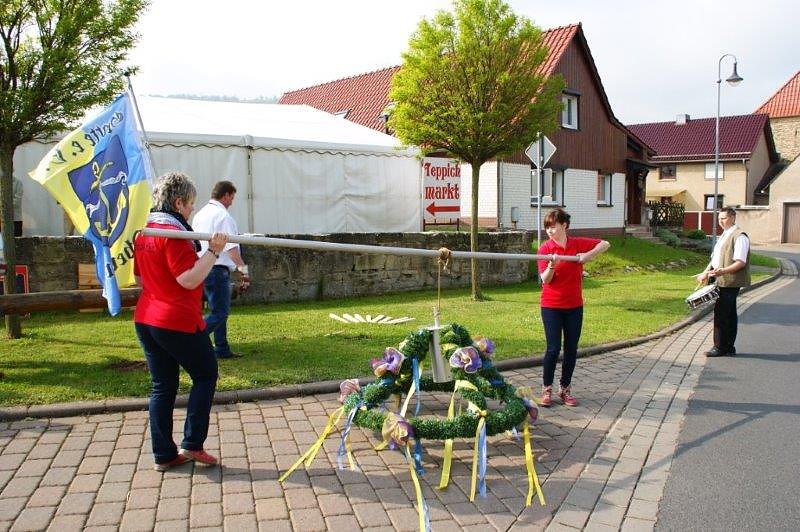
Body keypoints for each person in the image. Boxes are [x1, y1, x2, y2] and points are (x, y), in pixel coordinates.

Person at [134, 171, 227, 472]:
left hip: (147, 318)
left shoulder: (144, 232)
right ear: (177, 202)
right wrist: (213, 251)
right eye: (189, 205)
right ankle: (192, 443)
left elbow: (138, 278)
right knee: (205, 374)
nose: (191, 211)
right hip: (174, 321)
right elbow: (188, 279)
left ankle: (163, 454)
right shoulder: (173, 236)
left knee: (163, 385)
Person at [537, 208, 610, 407]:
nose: (550, 231)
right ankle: (546, 390)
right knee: (553, 349)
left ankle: (565, 389)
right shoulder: (544, 249)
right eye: (547, 227)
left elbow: (605, 244)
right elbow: (545, 280)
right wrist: (551, 265)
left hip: (574, 306)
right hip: (551, 306)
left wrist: (588, 255)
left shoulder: (576, 243)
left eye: (553, 226)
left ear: (564, 225)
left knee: (571, 349)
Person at [191, 180, 249, 359]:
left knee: (217, 310)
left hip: (202, 267)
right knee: (220, 312)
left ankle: (221, 348)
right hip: (217, 269)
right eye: (232, 197)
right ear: (226, 195)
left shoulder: (200, 215)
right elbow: (231, 249)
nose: (232, 201)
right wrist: (244, 273)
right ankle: (192, 341)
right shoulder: (223, 217)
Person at [694, 206, 750, 357]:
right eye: (719, 218)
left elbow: (740, 262)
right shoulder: (725, 234)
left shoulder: (740, 236)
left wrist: (722, 271)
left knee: (721, 313)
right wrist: (706, 272)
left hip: (730, 281)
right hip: (721, 279)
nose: (720, 221)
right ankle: (728, 347)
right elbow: (715, 259)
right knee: (729, 314)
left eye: (723, 218)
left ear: (732, 218)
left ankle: (719, 347)